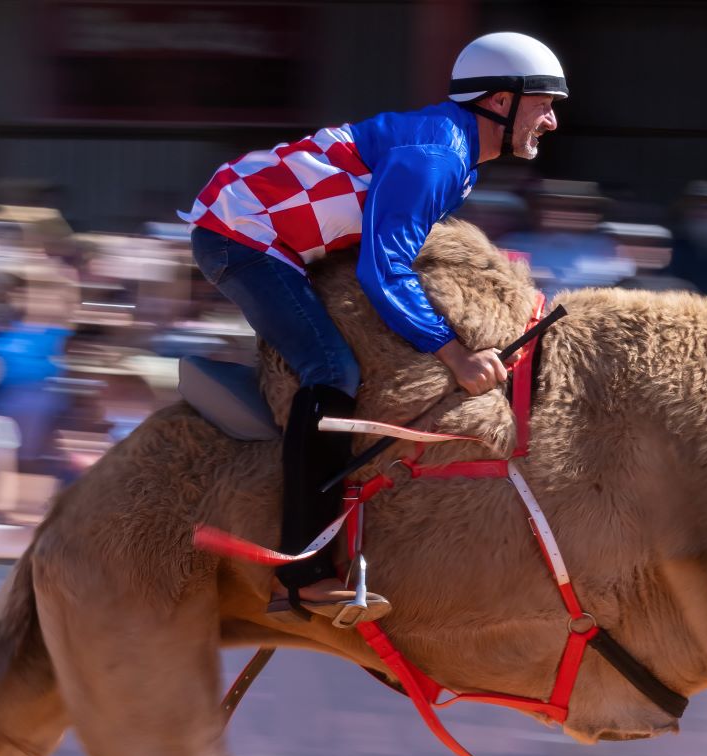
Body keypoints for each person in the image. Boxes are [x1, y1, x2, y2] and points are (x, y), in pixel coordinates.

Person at [178, 31, 566, 623]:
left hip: (266, 235)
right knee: (332, 370)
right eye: (543, 104)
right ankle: (302, 572)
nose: (552, 121)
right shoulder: (437, 157)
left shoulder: (453, 150)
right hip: (240, 238)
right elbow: (383, 268)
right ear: (498, 100)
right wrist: (455, 354)